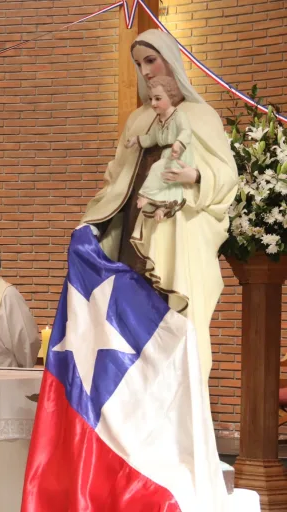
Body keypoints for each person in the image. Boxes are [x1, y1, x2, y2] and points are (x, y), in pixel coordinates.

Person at [80, 29, 238, 384]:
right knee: (130, 333)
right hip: (131, 236)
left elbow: (227, 176)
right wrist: (91, 221)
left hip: (176, 237)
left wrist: (194, 175)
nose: (146, 71)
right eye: (139, 64)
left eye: (151, 60)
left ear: (171, 60)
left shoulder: (200, 115)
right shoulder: (138, 120)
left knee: (177, 330)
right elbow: (114, 178)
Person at [125, 76, 193, 221]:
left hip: (180, 156)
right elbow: (151, 138)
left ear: (171, 97)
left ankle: (145, 195)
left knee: (157, 169)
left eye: (157, 98)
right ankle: (163, 207)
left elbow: (186, 131)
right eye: (151, 99)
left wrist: (178, 144)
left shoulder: (179, 116)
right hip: (167, 156)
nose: (153, 103)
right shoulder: (158, 120)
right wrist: (136, 140)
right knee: (166, 182)